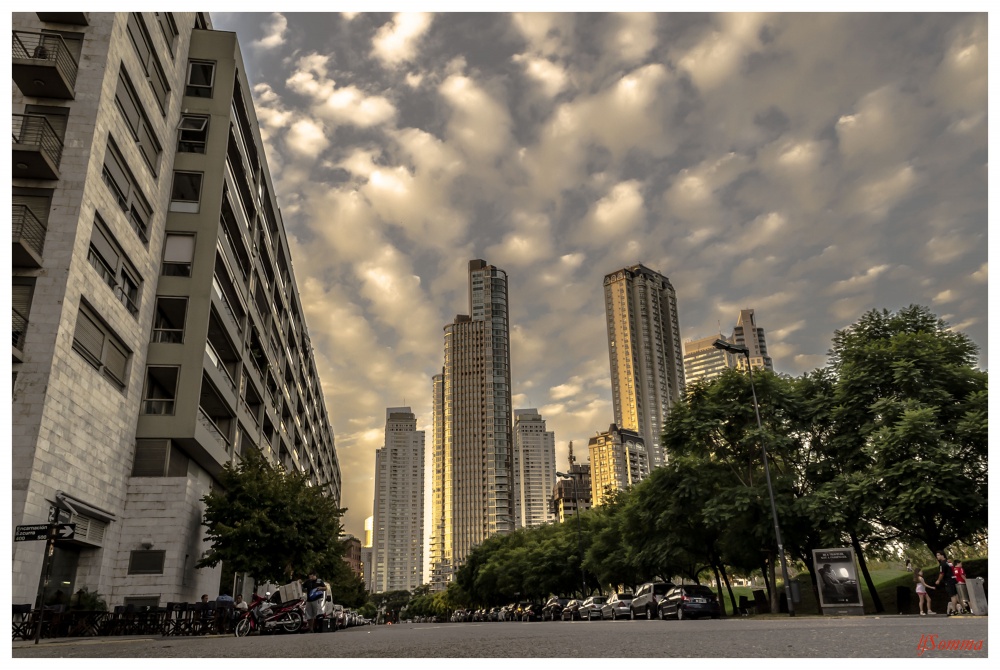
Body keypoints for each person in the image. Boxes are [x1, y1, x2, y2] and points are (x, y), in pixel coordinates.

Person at [934, 552, 961, 616]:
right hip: (954, 579)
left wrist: (938, 580)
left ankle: (954, 610)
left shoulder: (942, 564)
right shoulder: (949, 562)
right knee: (957, 595)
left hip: (948, 581)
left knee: (952, 595)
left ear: (942, 555)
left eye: (938, 555)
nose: (937, 557)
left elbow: (941, 573)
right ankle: (963, 608)